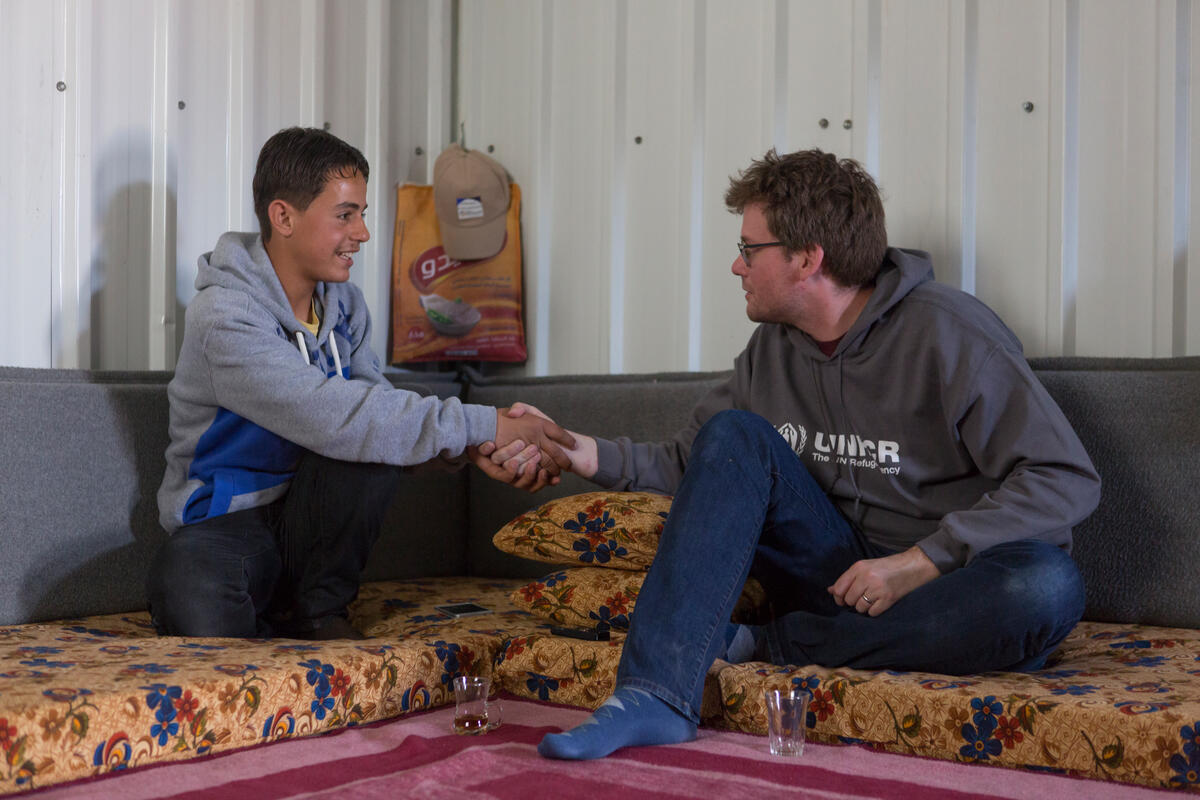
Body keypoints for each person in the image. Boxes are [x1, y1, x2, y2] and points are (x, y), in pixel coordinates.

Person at [474, 148, 1102, 759]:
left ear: (807, 258)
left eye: (750, 250)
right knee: (734, 435)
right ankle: (653, 693)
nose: (736, 266)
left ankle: (767, 643)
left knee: (1045, 587)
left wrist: (921, 561)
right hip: (828, 571)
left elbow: (1065, 479)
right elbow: (698, 466)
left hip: (942, 589)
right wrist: (575, 449)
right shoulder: (772, 348)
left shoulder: (950, 334)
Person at [150, 127, 574, 640]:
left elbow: (379, 412)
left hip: (314, 529)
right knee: (188, 587)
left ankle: (318, 613)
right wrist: (483, 423)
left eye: (363, 214)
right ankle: (269, 622)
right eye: (345, 215)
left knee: (373, 436)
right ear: (283, 216)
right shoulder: (225, 316)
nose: (363, 234)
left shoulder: (345, 306)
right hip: (229, 526)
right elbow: (333, 416)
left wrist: (471, 447)